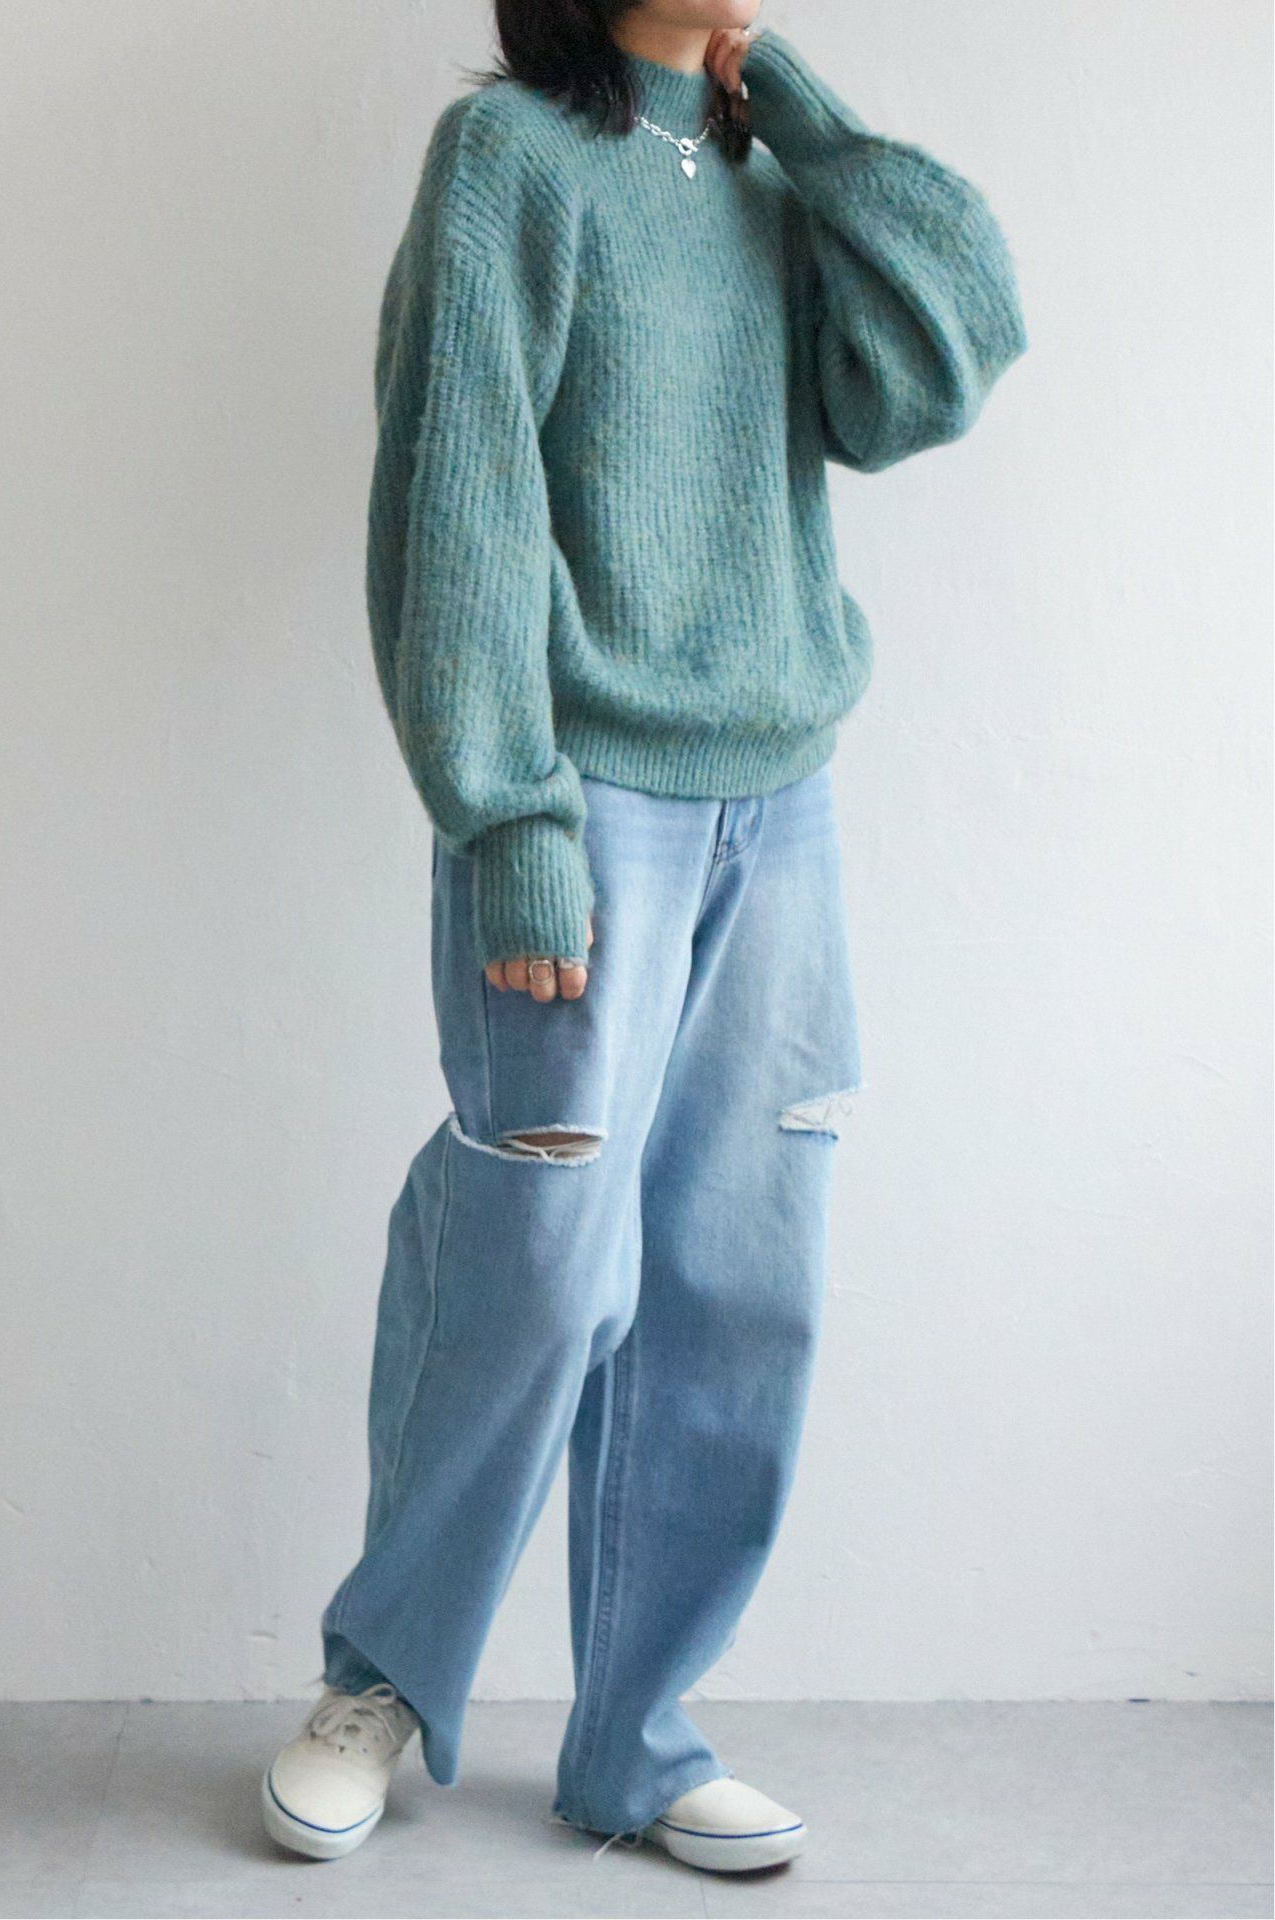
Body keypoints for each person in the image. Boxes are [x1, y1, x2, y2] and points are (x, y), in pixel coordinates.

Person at [261, 0, 1027, 1875]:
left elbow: (949, 356)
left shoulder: (780, 180)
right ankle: (380, 1679)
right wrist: (510, 819)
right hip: (585, 803)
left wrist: (802, 115)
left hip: (785, 800)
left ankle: (637, 1735)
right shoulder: (513, 162)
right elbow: (456, 497)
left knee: (737, 1288)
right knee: (536, 1255)